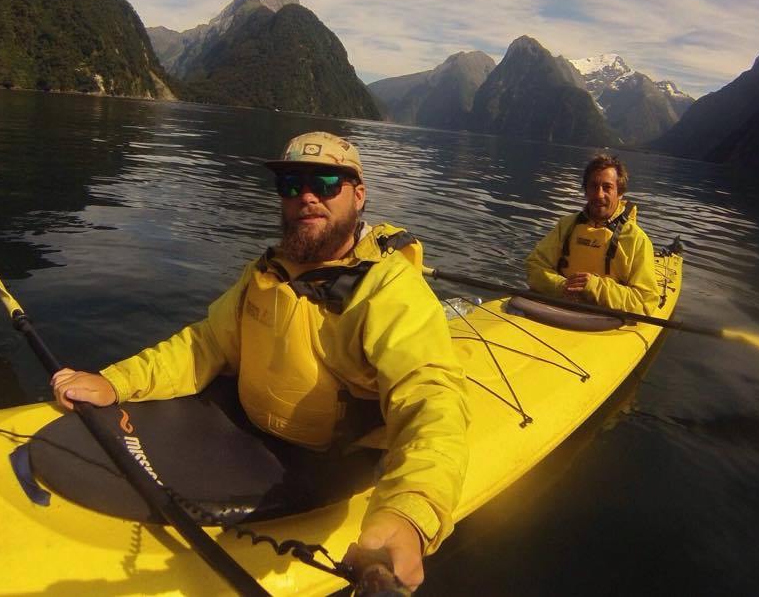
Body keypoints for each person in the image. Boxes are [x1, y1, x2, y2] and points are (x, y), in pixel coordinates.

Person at [51, 132, 470, 590]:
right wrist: (116, 382)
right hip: (251, 432)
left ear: (359, 195)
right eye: (291, 183)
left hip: (330, 461)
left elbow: (430, 401)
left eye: (327, 182)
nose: (306, 196)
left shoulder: (389, 290)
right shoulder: (268, 270)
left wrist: (410, 512)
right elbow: (206, 344)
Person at [525, 153, 658, 315]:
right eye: (593, 186)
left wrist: (594, 287)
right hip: (556, 309)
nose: (599, 194)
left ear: (620, 192)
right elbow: (534, 266)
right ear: (586, 190)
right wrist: (562, 287)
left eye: (607, 187)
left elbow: (645, 302)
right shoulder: (566, 225)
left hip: (604, 320)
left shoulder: (637, 240)